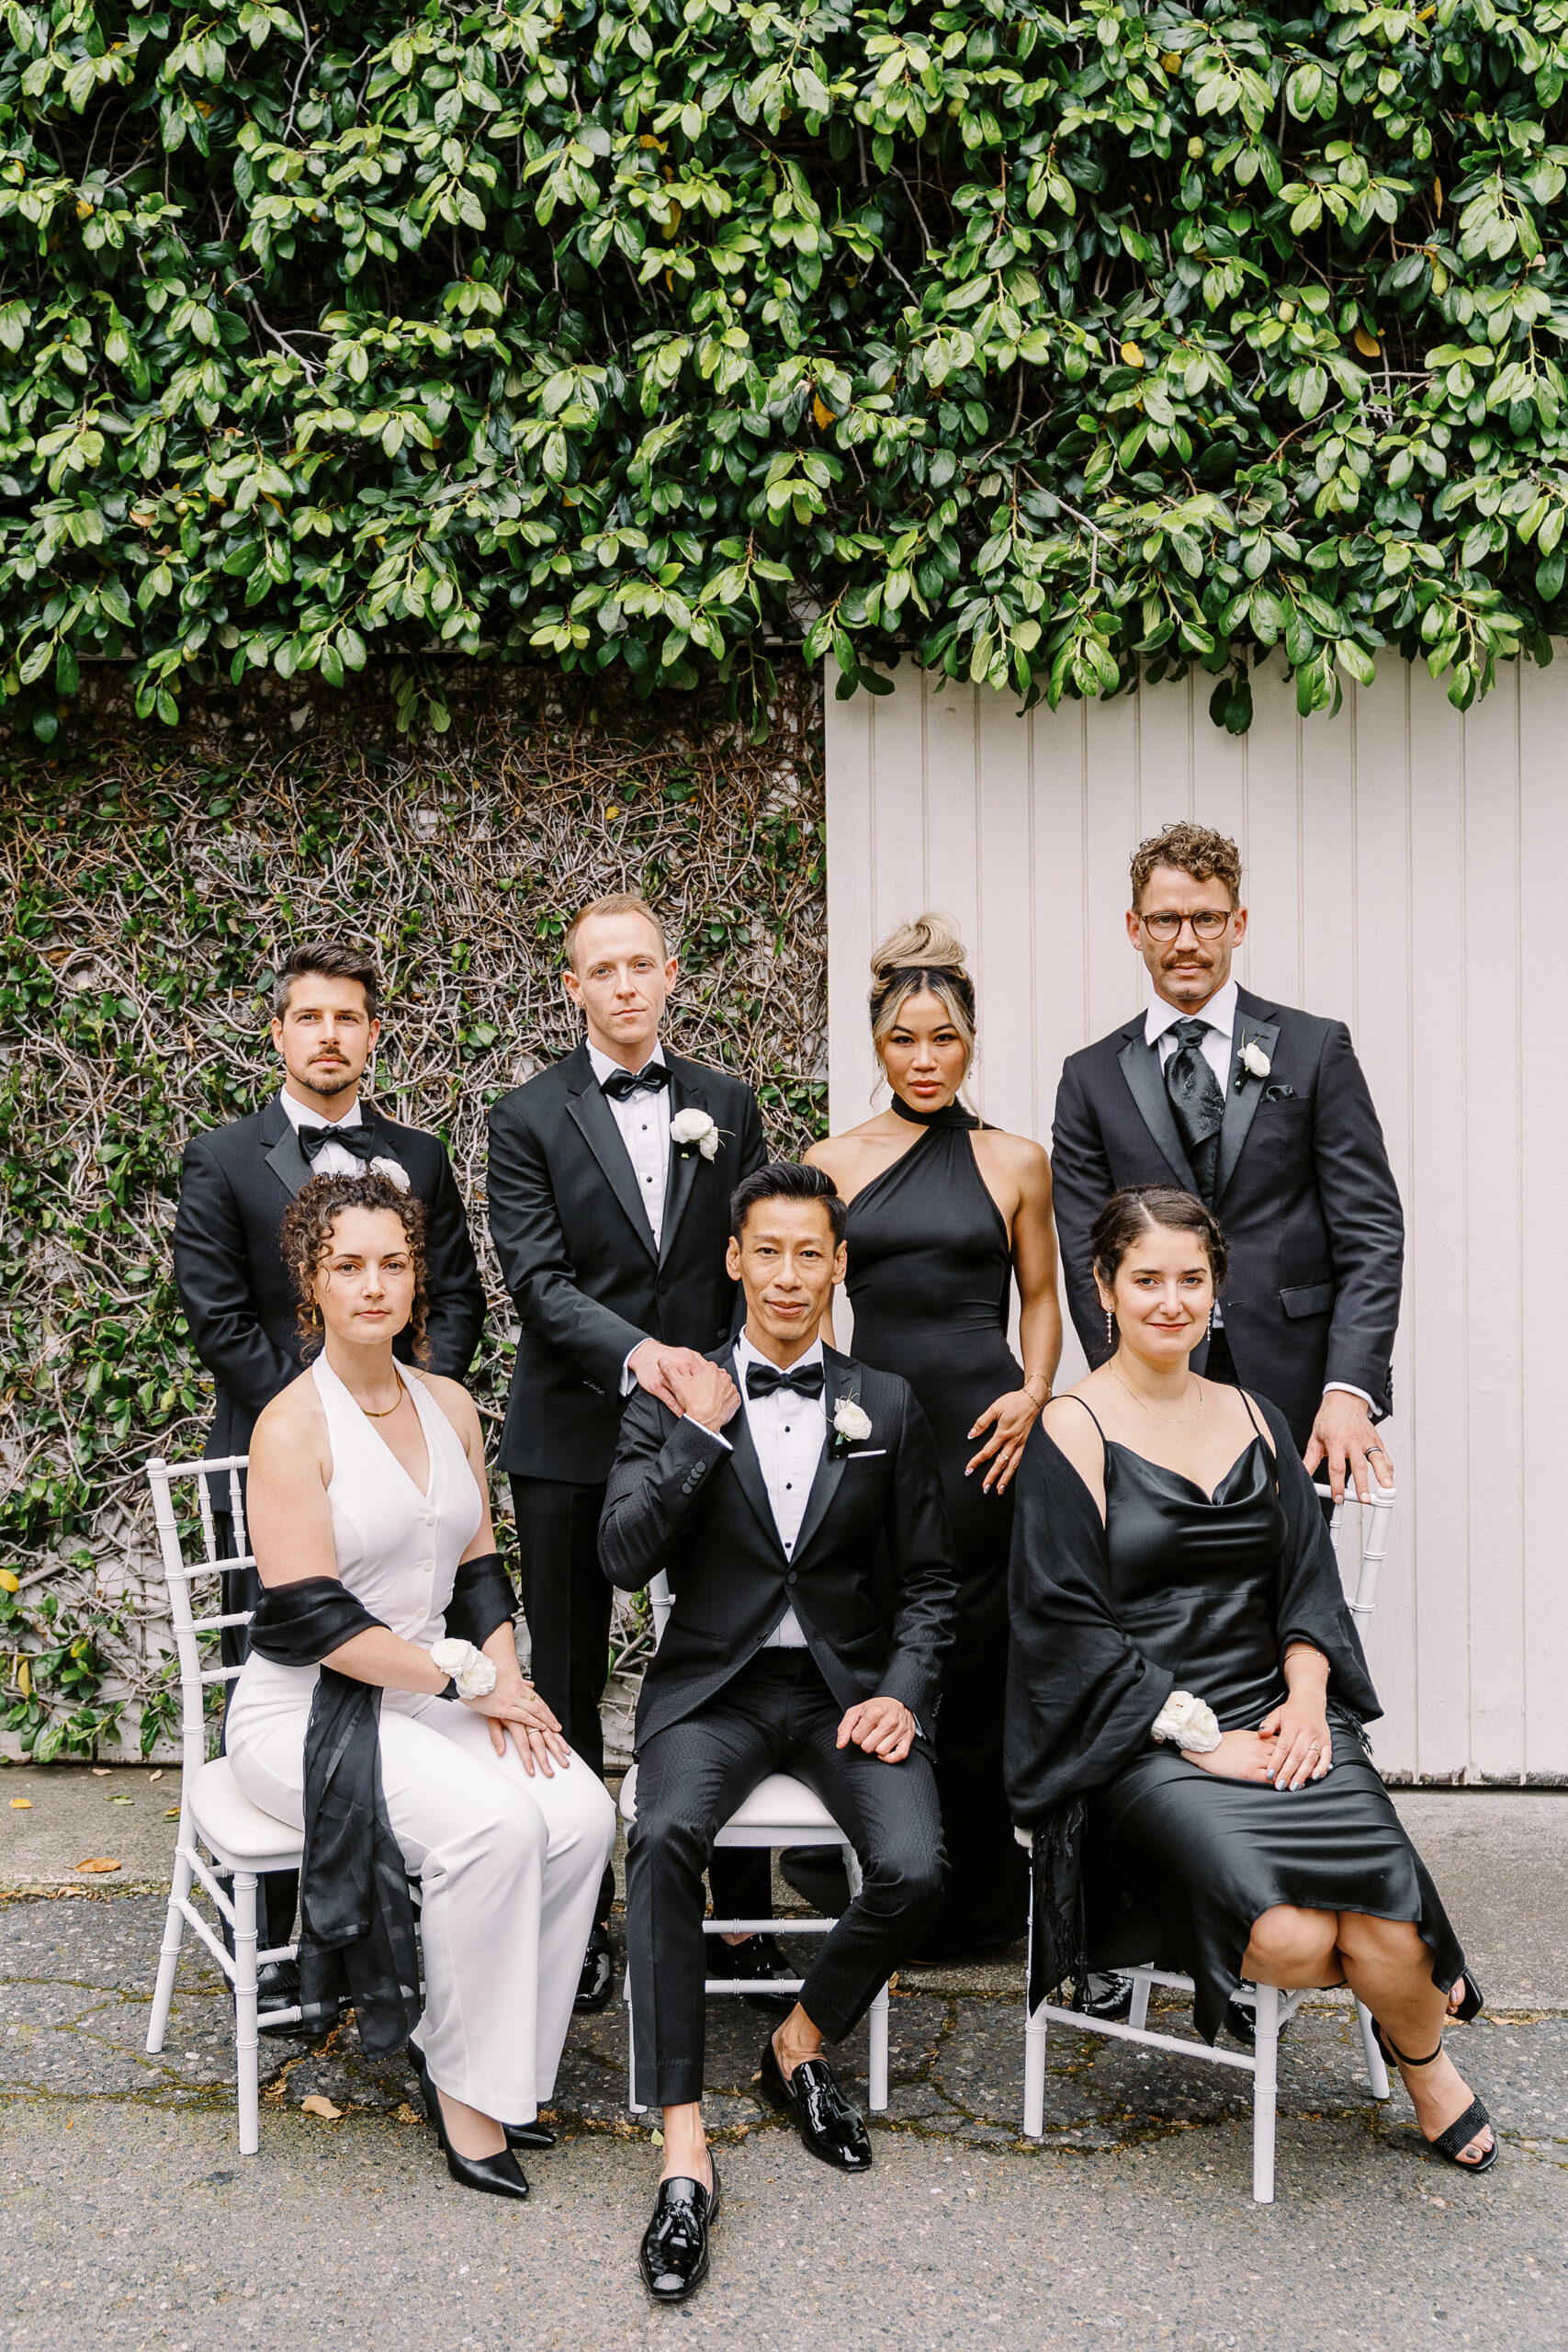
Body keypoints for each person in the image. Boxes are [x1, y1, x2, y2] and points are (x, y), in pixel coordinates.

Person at [1004, 1184, 1495, 2176]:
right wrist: (1196, 1734)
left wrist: (1309, 1701)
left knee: (1389, 1930)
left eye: (1192, 1278)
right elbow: (1067, 1627)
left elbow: (1307, 1585)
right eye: (1147, 1279)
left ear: (1217, 1287)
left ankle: (1424, 2062)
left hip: (1279, 1714)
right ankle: (1407, 2011)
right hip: (1145, 1735)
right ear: (1104, 1287)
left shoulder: (1260, 1415)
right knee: (1286, 1934)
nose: (1171, 1300)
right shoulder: (1072, 1428)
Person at [601, 1163, 961, 2301]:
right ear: (736, 1258)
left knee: (913, 1866)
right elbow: (620, 1557)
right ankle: (683, 2151)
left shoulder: (887, 1403)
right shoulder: (674, 1387)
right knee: (660, 1845)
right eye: (771, 1251)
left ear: (839, 1263)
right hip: (715, 1688)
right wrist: (701, 1437)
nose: (791, 1275)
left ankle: (796, 2043)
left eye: (813, 1252)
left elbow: (935, 1583)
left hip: (846, 1689)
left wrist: (902, 1687)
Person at [226, 1170, 617, 2201]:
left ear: (416, 1278)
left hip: (434, 1686)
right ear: (311, 1280)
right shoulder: (289, 1427)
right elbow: (314, 1620)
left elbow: (482, 1568)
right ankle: (461, 2088)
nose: (374, 1285)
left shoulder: (447, 1403)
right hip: (309, 1708)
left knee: (576, 1809)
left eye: (393, 1263)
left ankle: (507, 2066)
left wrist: (513, 1687)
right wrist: (472, 1681)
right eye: (348, 1265)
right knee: (495, 1827)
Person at [173, 939, 486, 2012]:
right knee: (284, 1671)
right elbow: (218, 1314)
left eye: (348, 1017)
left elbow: (458, 1306)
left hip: (403, 1462)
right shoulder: (222, 1157)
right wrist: (318, 1421)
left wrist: (403, 1419)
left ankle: (405, 1926)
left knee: (402, 1679)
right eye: (309, 1017)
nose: (329, 1035)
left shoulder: (422, 1156)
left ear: (372, 1033)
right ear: (279, 1032)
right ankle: (278, 1953)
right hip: (275, 1453)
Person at [487, 893, 776, 2014]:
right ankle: (580, 1916)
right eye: (599, 969)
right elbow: (538, 1280)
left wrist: (714, 1383)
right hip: (571, 1428)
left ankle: (735, 1916)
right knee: (562, 1675)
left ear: (668, 975)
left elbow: (749, 1255)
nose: (622, 985)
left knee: (726, 1652)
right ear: (574, 987)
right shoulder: (527, 1116)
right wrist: (648, 1355)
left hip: (705, 1422)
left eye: (639, 965)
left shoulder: (727, 1104)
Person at [804, 916, 1060, 1955]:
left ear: (969, 1042)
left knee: (986, 1655)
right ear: (877, 1042)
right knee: (886, 1637)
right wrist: (832, 1415)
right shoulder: (832, 1161)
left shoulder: (1016, 1161)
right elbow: (809, 1303)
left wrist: (1037, 1391)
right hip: (879, 1434)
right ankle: (889, 1861)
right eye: (904, 1039)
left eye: (943, 1039)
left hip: (989, 1439)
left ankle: (987, 1889)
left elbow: (1041, 1297)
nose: (923, 1059)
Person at [1051, 822, 1404, 1504]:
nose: (1185, 940)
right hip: (1150, 1382)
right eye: (1165, 920)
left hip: (1298, 1390)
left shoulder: (1314, 1049)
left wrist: (1347, 1390)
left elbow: (1370, 1232)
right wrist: (1122, 1384)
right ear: (1133, 928)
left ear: (1237, 924)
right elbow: (1081, 1252)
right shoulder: (1088, 1077)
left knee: (1293, 1591)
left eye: (1205, 919)